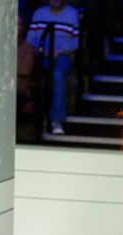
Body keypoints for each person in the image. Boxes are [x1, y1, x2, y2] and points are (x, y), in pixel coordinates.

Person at [26, 0, 79, 135]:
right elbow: (30, 38)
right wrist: (40, 51)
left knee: (57, 73)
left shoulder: (72, 13)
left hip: (63, 56)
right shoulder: (39, 13)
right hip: (42, 56)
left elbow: (76, 40)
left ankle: (56, 119)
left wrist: (59, 50)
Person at [17, 14, 35, 114]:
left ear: (23, 28)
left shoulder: (28, 48)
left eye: (17, 24)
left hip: (18, 91)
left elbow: (25, 70)